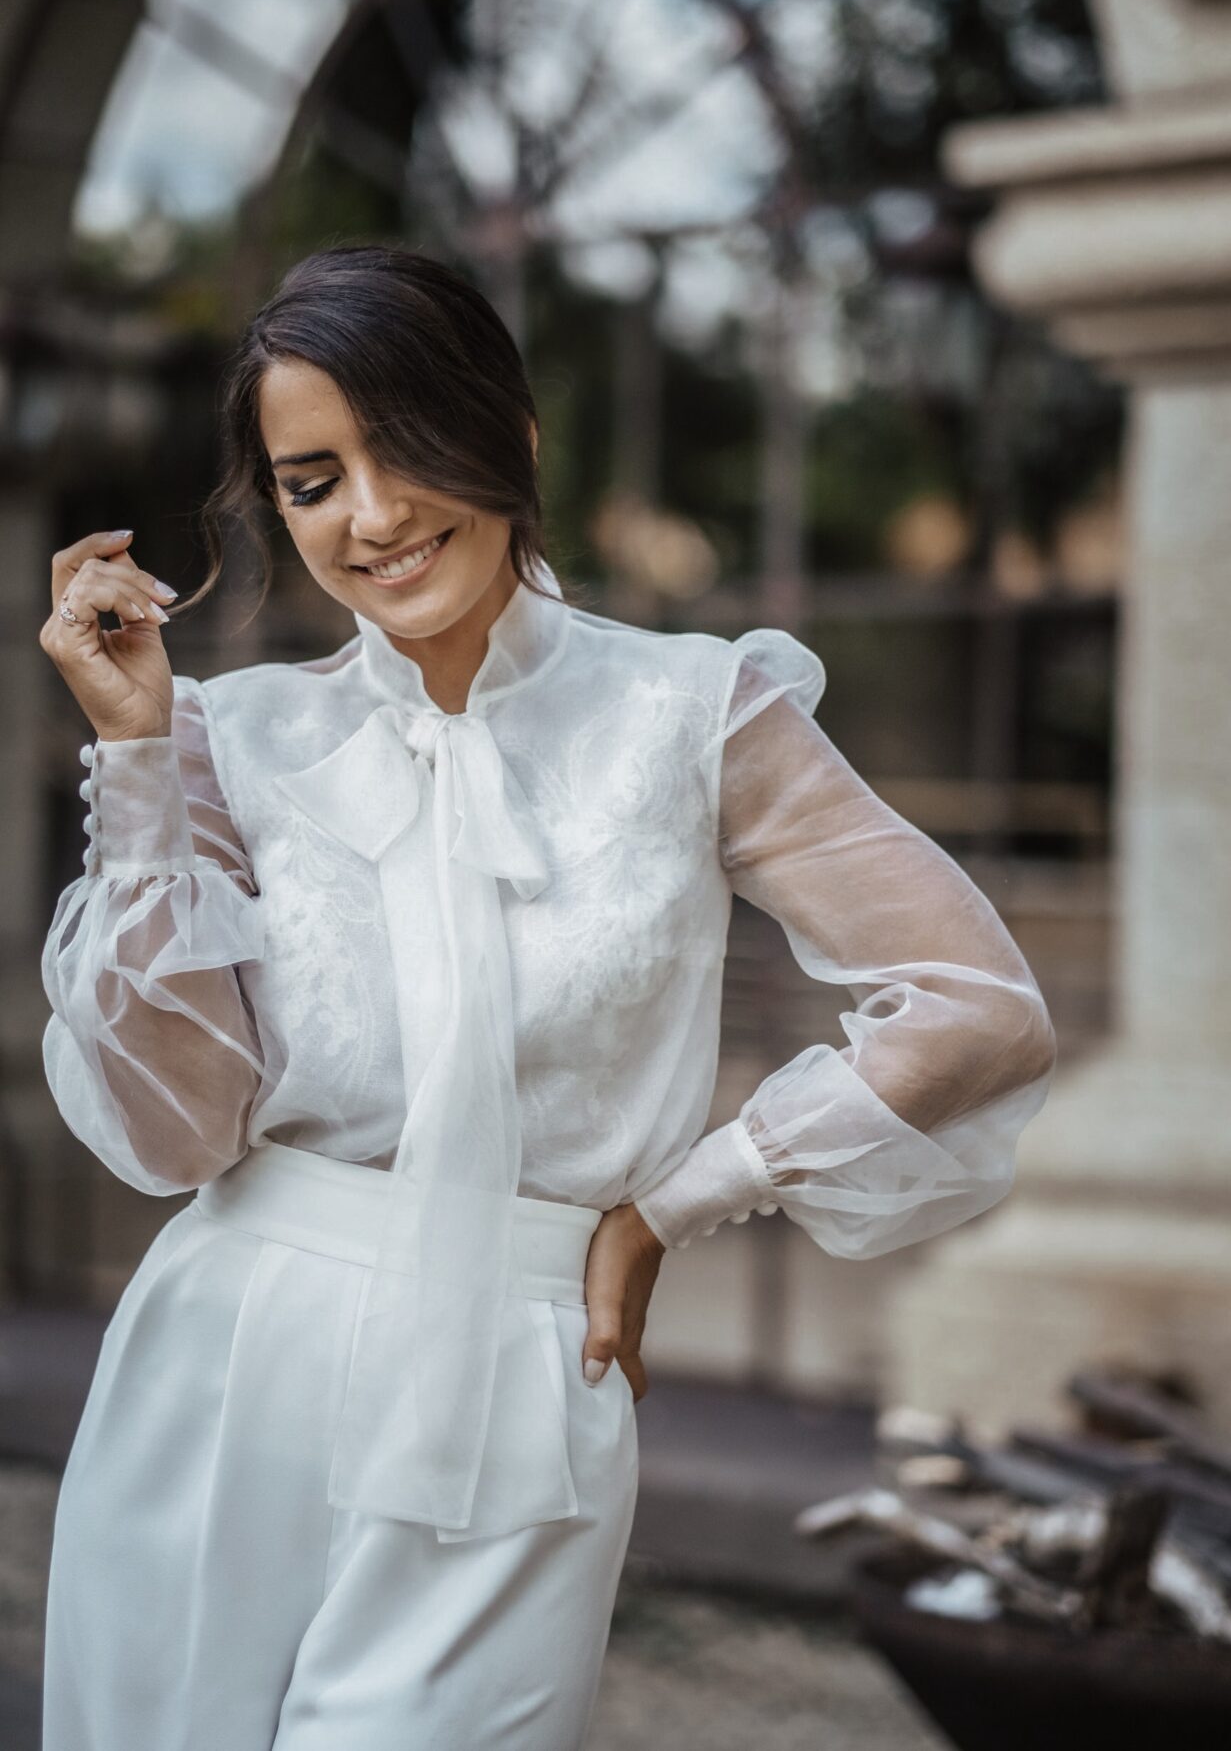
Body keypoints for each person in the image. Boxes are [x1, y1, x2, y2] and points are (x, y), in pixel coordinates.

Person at [37, 243, 1057, 1751]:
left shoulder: (693, 712)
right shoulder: (222, 737)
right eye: (313, 481)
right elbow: (182, 1131)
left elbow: (974, 1002)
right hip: (224, 1351)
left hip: (521, 1371)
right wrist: (132, 760)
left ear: (510, 436)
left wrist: (673, 1202)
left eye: (404, 447)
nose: (372, 517)